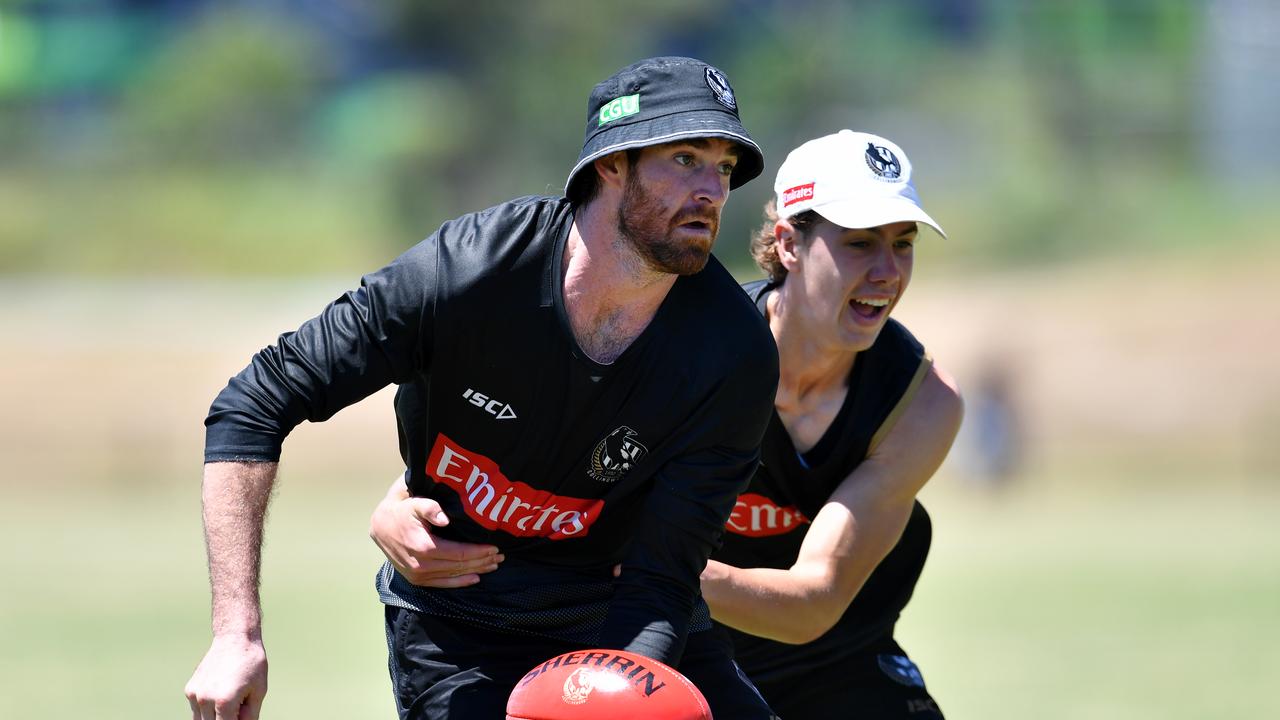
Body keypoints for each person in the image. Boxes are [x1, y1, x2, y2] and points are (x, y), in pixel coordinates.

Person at [184, 56, 782, 720]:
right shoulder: (465, 275)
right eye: (686, 158)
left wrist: (607, 695)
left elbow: (662, 582)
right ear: (613, 163)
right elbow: (253, 404)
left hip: (620, 616)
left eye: (724, 168)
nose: (712, 190)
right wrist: (236, 636)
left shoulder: (734, 353)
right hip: (461, 621)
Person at [372, 129, 964, 719]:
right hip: (674, 653)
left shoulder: (920, 402)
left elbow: (813, 602)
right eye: (859, 243)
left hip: (839, 666)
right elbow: (532, 452)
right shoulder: (701, 350)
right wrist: (398, 504)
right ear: (788, 243)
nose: (887, 271)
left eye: (903, 243)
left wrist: (655, 567)